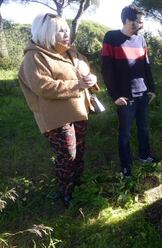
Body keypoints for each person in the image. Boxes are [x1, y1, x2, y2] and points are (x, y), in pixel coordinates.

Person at [18, 13, 98, 206]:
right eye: (59, 30)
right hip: (54, 117)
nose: (66, 33)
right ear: (46, 33)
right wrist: (77, 85)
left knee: (78, 152)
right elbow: (43, 87)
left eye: (66, 29)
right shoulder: (34, 56)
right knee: (67, 156)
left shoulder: (71, 53)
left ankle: (78, 187)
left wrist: (91, 79)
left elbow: (86, 70)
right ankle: (66, 194)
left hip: (78, 111)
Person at [101, 5, 157, 178]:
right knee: (124, 133)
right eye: (138, 22)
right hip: (125, 97)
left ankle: (144, 155)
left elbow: (146, 66)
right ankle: (126, 168)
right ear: (128, 20)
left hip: (143, 94)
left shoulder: (141, 40)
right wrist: (115, 96)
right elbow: (106, 70)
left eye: (141, 22)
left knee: (144, 128)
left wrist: (152, 88)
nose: (141, 25)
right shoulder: (111, 38)